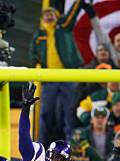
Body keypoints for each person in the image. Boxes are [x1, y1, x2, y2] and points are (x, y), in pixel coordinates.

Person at [30, 4, 86, 142]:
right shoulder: (38, 35)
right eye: (46, 14)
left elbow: (73, 13)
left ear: (58, 17)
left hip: (68, 76)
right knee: (46, 114)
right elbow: (33, 54)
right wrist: (37, 64)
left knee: (69, 113)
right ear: (42, 18)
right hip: (49, 79)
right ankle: (41, 147)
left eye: (52, 14)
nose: (49, 16)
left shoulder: (64, 28)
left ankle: (71, 148)